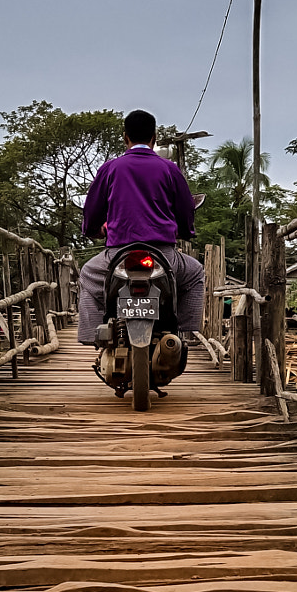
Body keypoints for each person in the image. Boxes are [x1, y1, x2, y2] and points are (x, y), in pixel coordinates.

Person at [77, 110, 206, 386]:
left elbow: (92, 211)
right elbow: (185, 211)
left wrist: (94, 229)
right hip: (165, 255)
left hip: (119, 254)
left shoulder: (110, 169)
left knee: (88, 273)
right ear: (154, 138)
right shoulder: (170, 169)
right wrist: (185, 232)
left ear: (125, 138)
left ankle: (91, 333)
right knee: (195, 273)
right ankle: (184, 332)